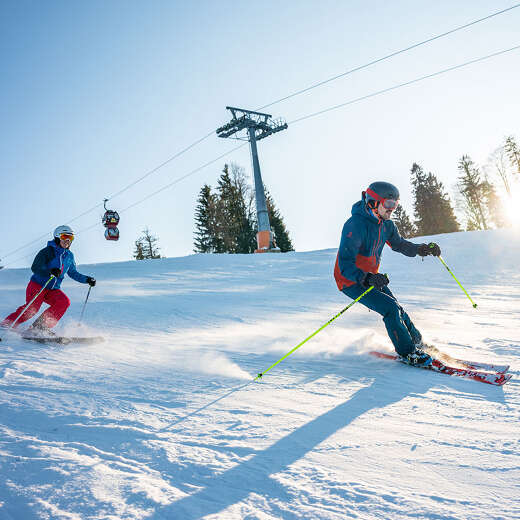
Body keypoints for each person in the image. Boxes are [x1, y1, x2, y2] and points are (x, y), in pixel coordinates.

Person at [334, 182, 441, 366]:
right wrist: (367, 277)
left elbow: (400, 244)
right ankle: (408, 353)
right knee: (390, 308)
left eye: (396, 205)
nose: (393, 209)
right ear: (373, 202)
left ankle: (417, 342)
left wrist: (422, 249)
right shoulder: (355, 225)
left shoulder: (387, 226)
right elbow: (345, 264)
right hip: (350, 280)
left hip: (372, 279)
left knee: (397, 308)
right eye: (389, 204)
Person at [1, 225, 96, 337]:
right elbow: (35, 267)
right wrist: (49, 271)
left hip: (53, 289)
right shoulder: (47, 251)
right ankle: (6, 324)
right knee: (32, 309)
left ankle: (40, 327)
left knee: (63, 302)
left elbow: (73, 273)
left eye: (70, 238)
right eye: (65, 236)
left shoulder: (69, 256)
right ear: (57, 237)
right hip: (38, 285)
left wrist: (87, 279)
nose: (67, 241)